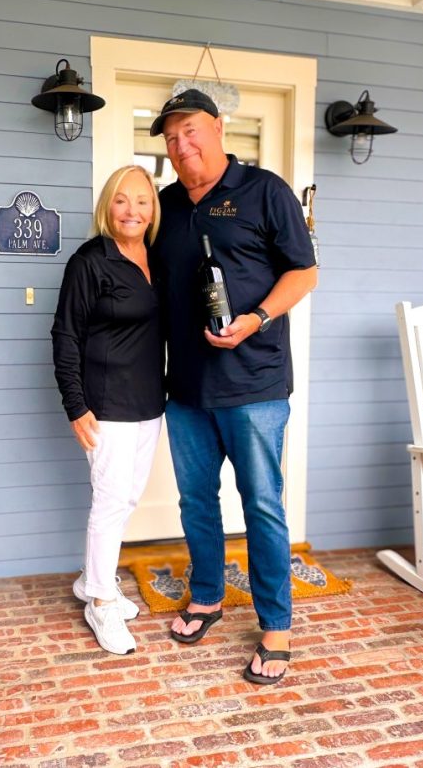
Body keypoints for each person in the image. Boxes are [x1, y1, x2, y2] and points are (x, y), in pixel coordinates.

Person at [149, 89, 318, 685]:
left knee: (262, 504)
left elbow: (304, 272)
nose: (181, 145)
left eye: (190, 130)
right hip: (186, 386)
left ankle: (276, 625)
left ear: (219, 127)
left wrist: (258, 318)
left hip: (255, 384)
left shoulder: (265, 190)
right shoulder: (165, 205)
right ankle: (207, 596)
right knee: (195, 501)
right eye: (171, 137)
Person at [51, 165, 165, 656]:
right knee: (110, 500)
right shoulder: (90, 261)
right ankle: (100, 601)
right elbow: (65, 335)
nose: (131, 210)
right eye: (121, 199)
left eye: (142, 200)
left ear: (153, 210)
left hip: (149, 402)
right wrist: (75, 405)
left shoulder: (158, 258)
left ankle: (92, 580)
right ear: (107, 206)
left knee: (127, 498)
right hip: (105, 404)